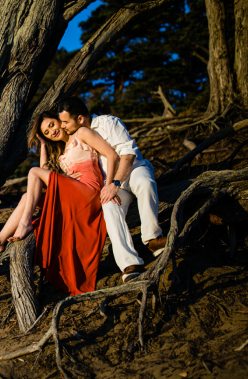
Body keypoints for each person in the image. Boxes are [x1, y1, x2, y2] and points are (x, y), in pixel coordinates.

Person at [0, 110, 118, 296]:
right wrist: (43, 144)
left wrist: (110, 186)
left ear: (60, 120)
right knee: (28, 197)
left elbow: (111, 154)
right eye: (47, 133)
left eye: (52, 125)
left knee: (33, 173)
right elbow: (43, 172)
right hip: (74, 195)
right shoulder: (62, 153)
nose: (52, 132)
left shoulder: (81, 134)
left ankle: (25, 223)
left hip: (89, 193)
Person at [55, 97, 167, 283]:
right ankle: (129, 264)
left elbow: (128, 153)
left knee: (145, 183)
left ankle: (153, 238)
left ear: (80, 119)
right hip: (111, 186)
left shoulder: (109, 122)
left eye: (66, 122)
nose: (63, 126)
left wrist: (114, 183)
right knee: (109, 208)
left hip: (132, 171)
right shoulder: (78, 137)